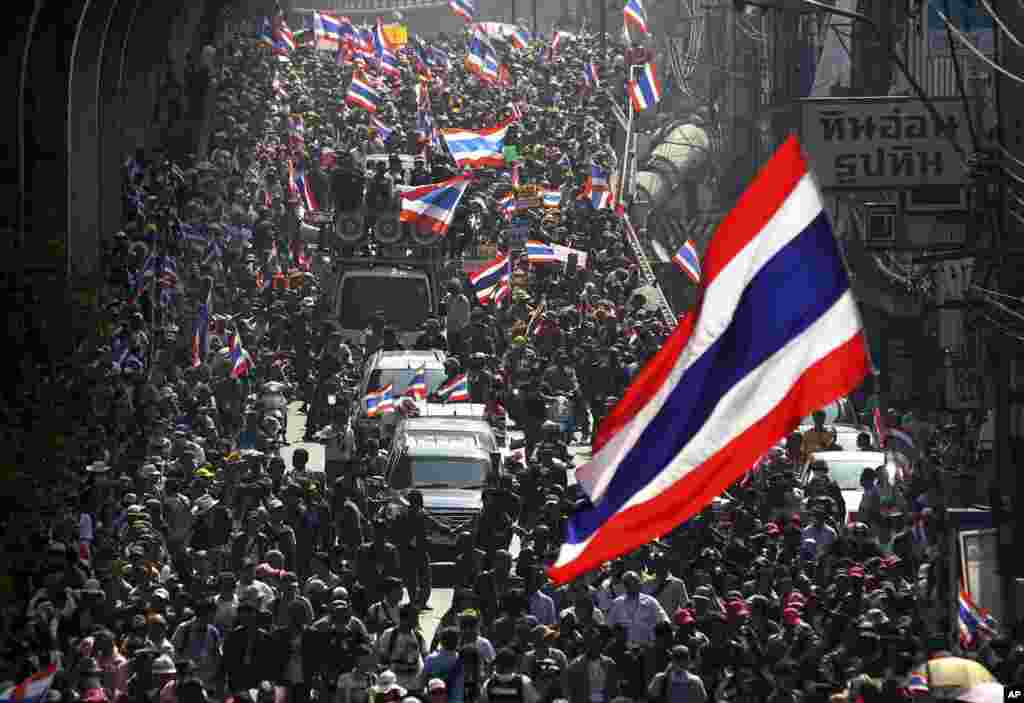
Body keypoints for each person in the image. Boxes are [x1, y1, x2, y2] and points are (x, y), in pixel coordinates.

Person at [605, 571, 669, 649]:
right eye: (629, 583)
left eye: (636, 582)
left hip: (646, 647)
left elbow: (664, 621)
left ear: (640, 583)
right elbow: (608, 626)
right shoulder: (617, 603)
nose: (633, 585)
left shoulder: (650, 602)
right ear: (625, 586)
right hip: (624, 649)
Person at [377, 604, 426, 691]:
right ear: (403, 619)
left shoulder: (419, 636)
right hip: (394, 686)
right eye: (414, 617)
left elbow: (425, 657)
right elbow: (381, 658)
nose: (417, 620)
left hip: (414, 686)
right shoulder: (389, 635)